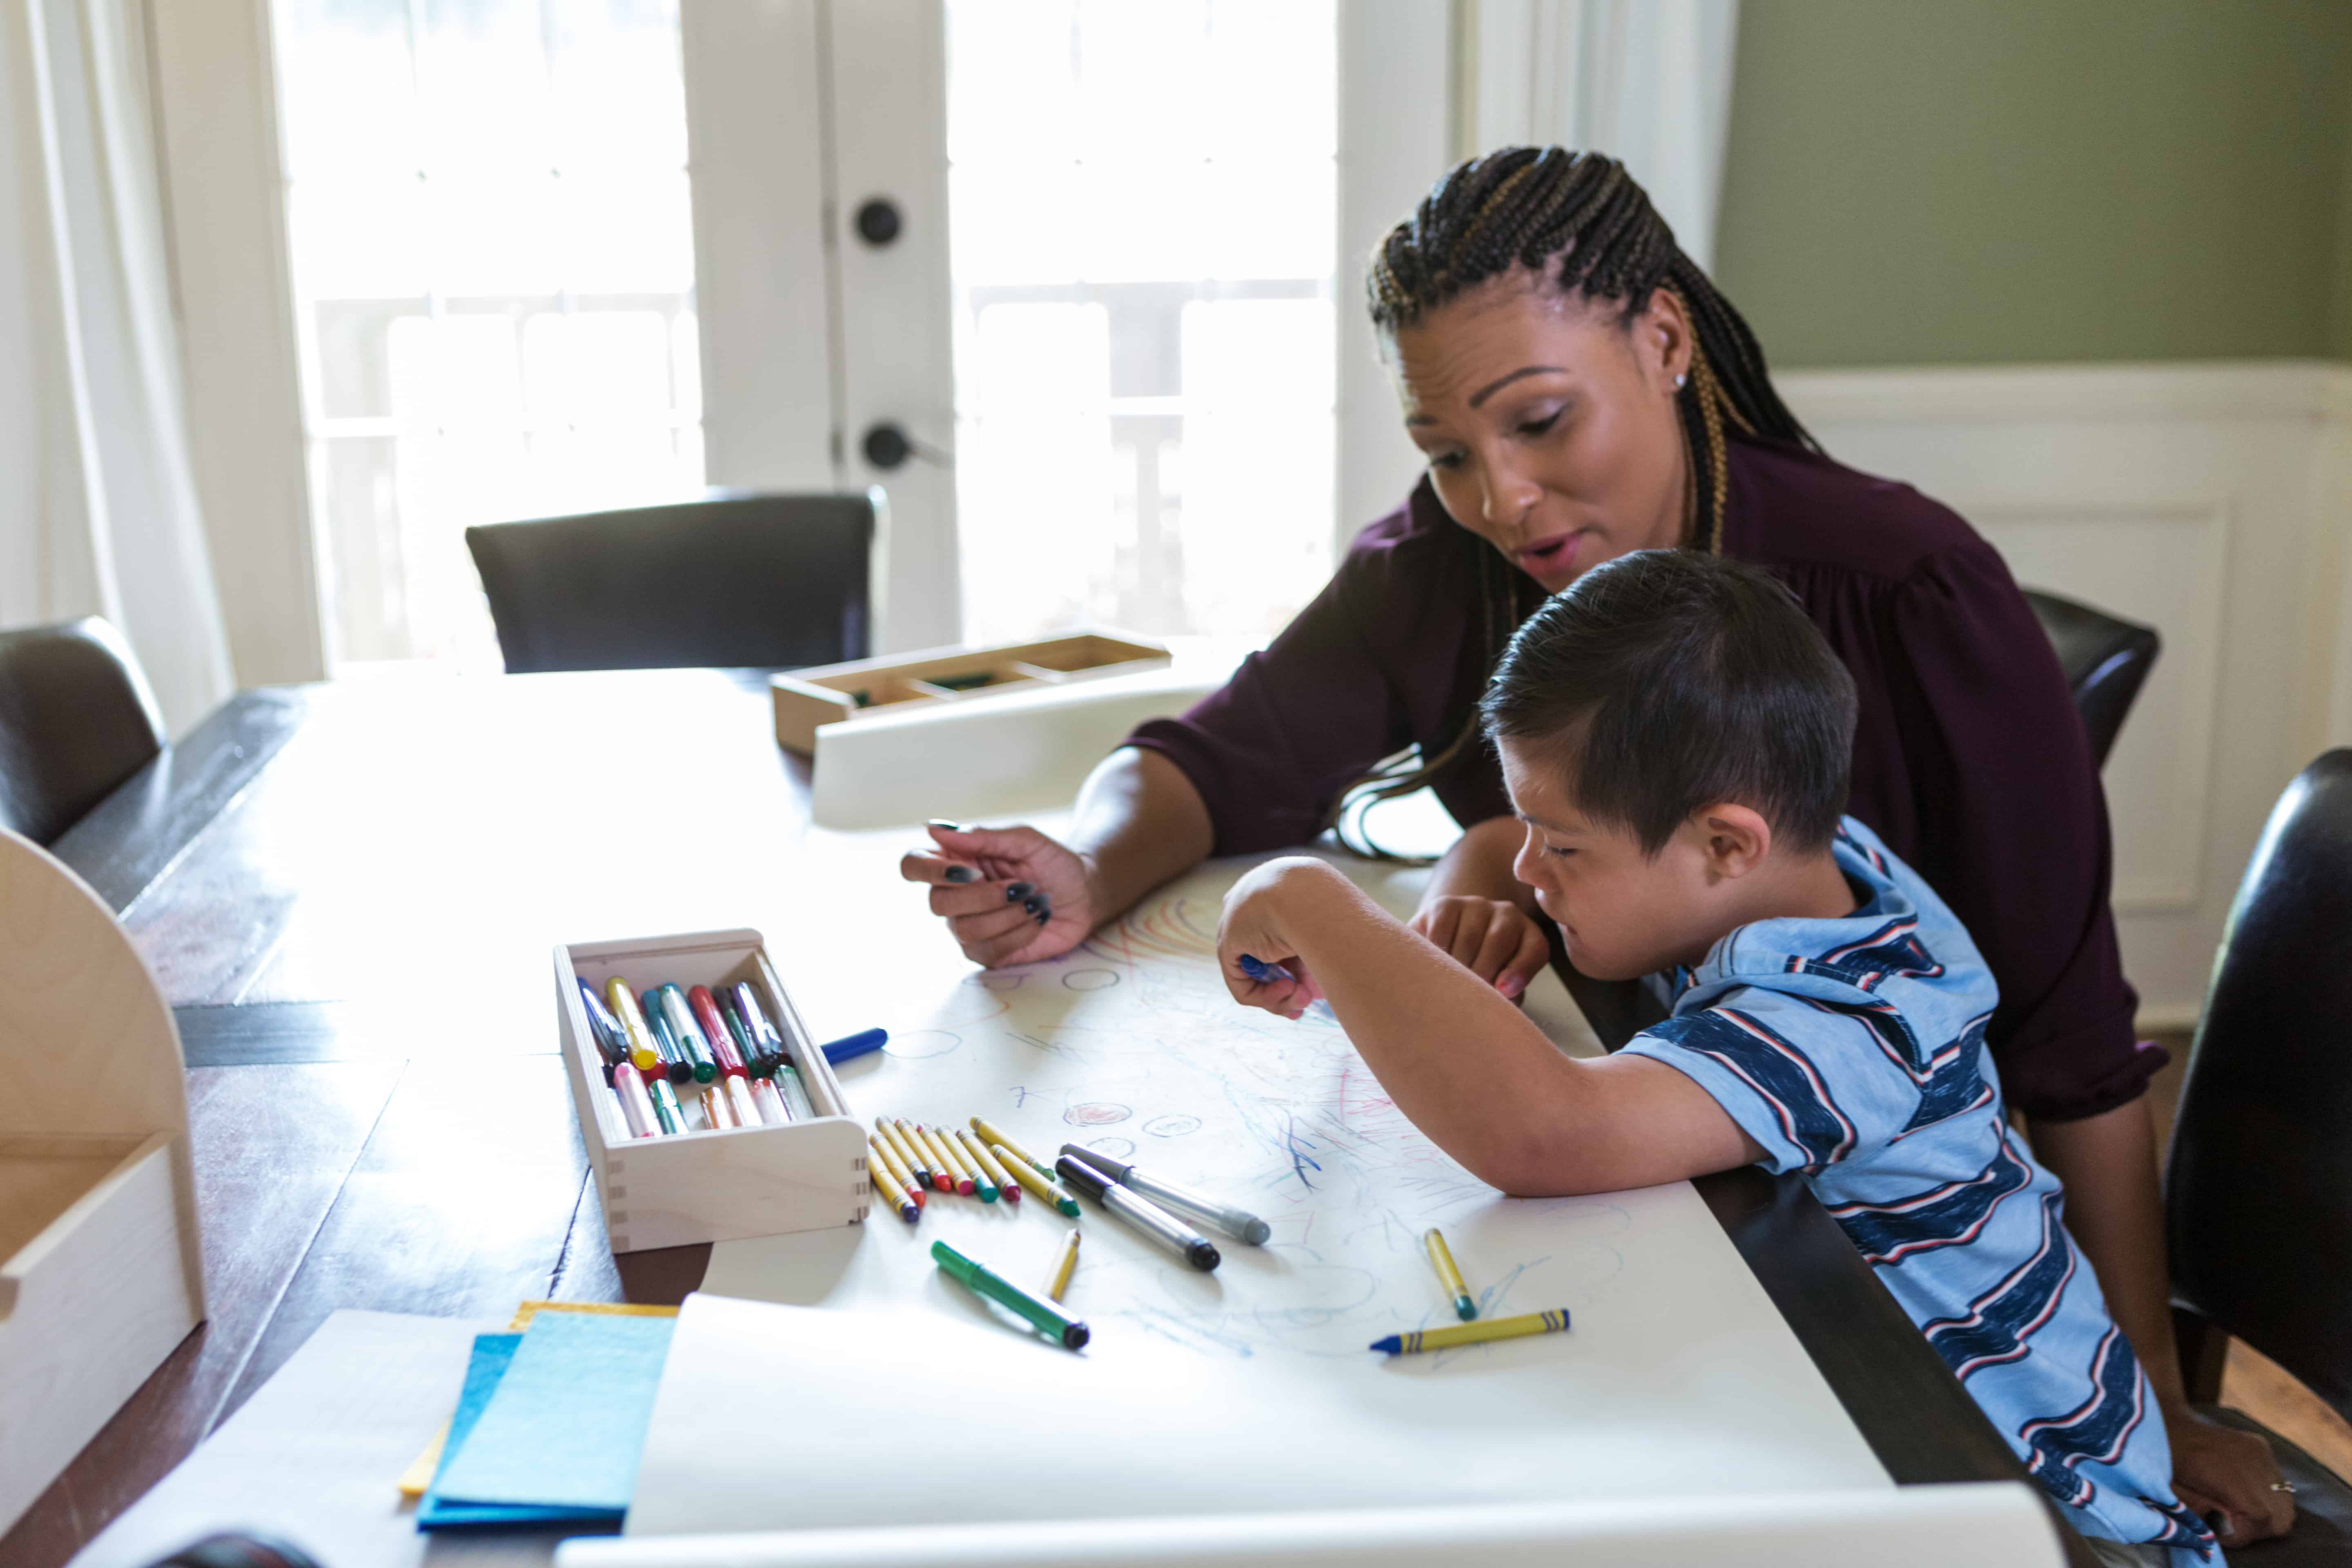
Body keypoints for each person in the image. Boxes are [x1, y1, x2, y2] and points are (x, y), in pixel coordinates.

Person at [901, 147, 2289, 1540]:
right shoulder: (1455, 570)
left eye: (1542, 422)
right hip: (1731, 1245)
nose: (1501, 500)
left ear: (1668, 341)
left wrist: (2152, 1397)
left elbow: (2069, 1040)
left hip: (1916, 1364)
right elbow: (1223, 754)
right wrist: (1087, 867)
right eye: (1446, 455)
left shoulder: (1907, 602)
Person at [1216, 551, 2216, 1566]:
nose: (1531, 870)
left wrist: (1311, 899)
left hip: (2035, 1508)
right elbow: (1489, 845)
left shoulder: (1845, 1020)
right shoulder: (1829, 861)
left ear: (1728, 846)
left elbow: (1546, 1131)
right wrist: (1479, 894)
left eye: (1561, 848)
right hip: (1865, 1405)